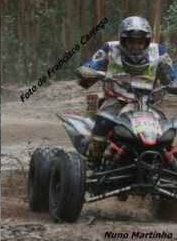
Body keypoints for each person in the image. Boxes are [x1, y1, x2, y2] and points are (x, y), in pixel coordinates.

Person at [75, 16, 177, 163]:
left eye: (140, 42)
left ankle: (165, 161)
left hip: (146, 104)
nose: (136, 46)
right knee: (104, 120)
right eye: (131, 42)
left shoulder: (158, 51)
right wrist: (92, 73)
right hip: (115, 100)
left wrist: (174, 83)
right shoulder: (110, 49)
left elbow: (173, 74)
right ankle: (93, 162)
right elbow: (88, 67)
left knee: (164, 128)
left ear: (146, 42)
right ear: (123, 41)